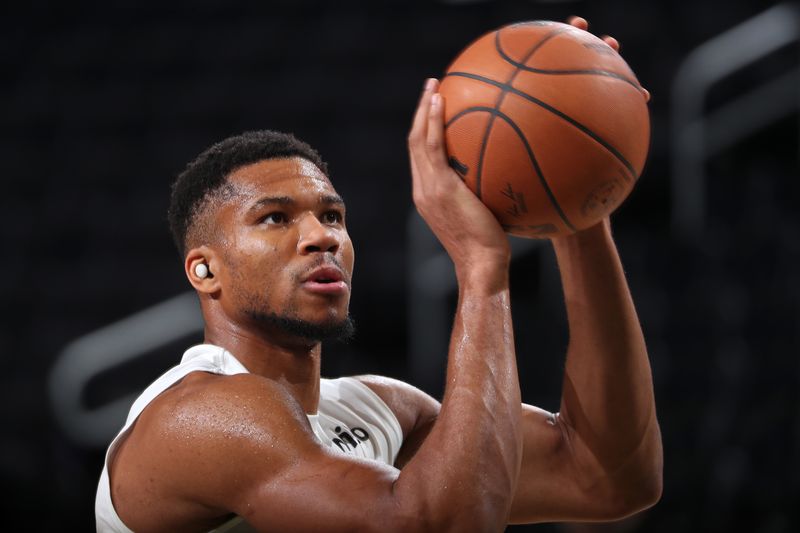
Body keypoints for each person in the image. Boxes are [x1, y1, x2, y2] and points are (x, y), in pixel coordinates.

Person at [95, 17, 662, 533]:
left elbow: (606, 477)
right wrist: (480, 269)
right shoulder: (199, 416)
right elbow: (438, 526)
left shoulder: (376, 410)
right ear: (204, 270)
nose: (322, 236)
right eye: (274, 218)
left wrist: (578, 209)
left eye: (332, 215)